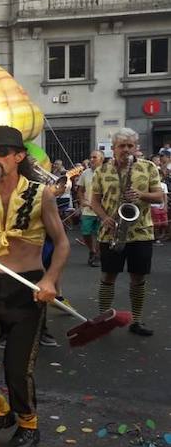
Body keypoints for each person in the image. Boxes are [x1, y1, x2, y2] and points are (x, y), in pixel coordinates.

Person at [0, 125, 69, 447]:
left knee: (17, 369)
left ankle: (28, 425)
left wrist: (49, 280)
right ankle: (0, 413)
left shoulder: (41, 194)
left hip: (27, 289)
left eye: (1, 152)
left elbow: (62, 243)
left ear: (19, 156)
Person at [89, 128, 164, 337]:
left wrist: (140, 194)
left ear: (137, 147)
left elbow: (160, 197)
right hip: (111, 231)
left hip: (140, 232)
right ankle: (104, 319)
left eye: (130, 145)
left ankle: (137, 320)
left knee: (138, 278)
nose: (126, 149)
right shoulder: (102, 171)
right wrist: (104, 217)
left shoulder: (149, 168)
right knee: (108, 276)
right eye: (122, 146)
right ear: (113, 148)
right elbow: (94, 201)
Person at [77, 149, 105, 266]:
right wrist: (82, 200)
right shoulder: (85, 173)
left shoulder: (107, 173)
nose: (91, 160)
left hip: (103, 210)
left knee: (100, 234)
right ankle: (92, 251)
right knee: (86, 232)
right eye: (91, 157)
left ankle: (98, 255)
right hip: (88, 209)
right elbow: (80, 190)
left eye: (95, 157)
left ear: (101, 160)